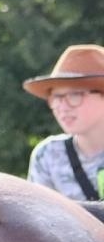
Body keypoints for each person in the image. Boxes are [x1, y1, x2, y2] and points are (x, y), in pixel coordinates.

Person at [24, 43, 104, 202]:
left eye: (75, 95)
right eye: (56, 98)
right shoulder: (48, 155)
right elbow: (38, 219)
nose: (62, 107)